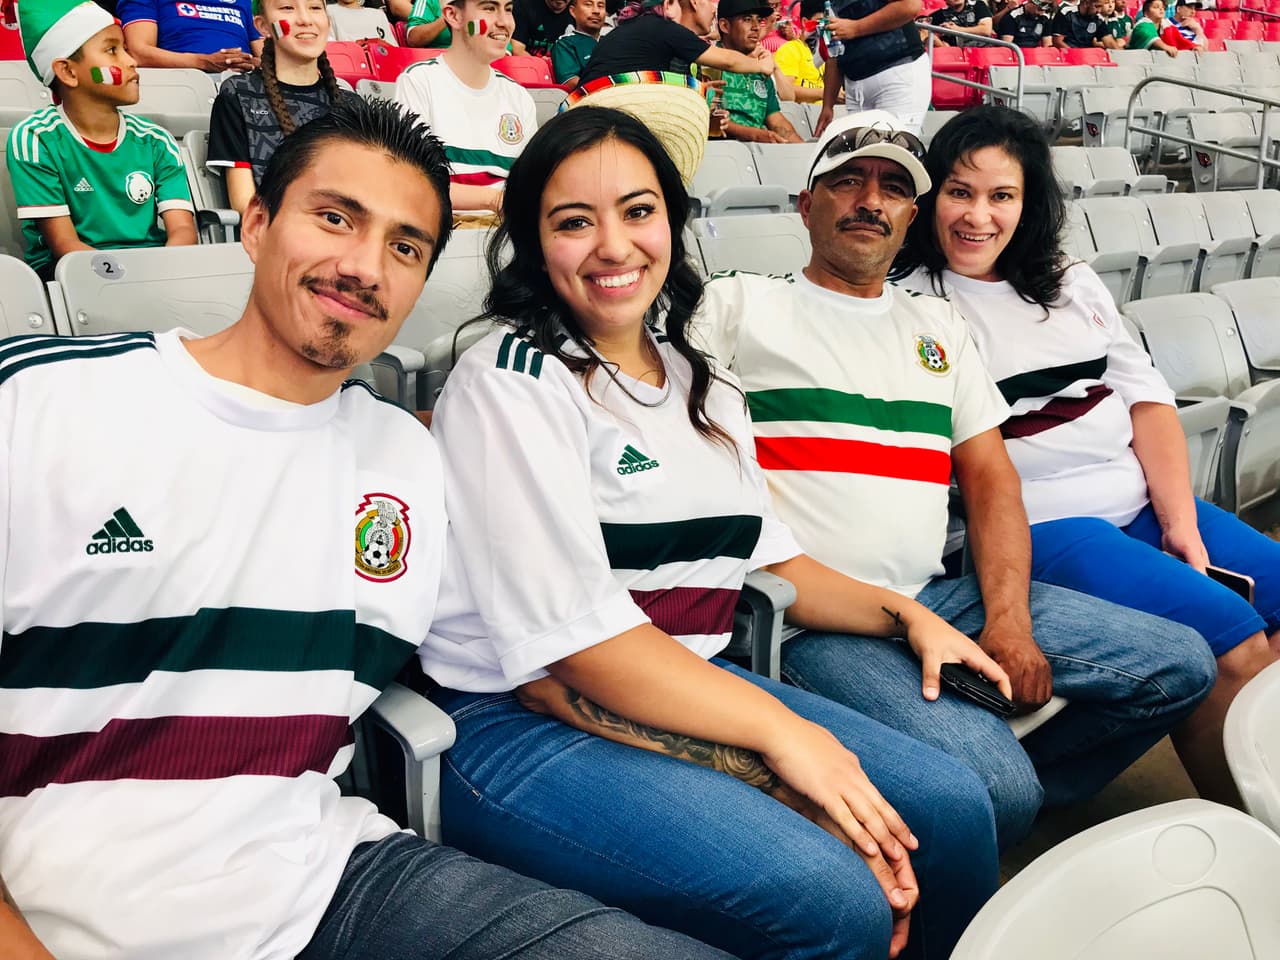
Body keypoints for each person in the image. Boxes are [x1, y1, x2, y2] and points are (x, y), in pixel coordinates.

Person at [0, 97, 732, 960]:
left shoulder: (408, 458)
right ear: (258, 221)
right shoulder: (42, 399)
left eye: (404, 246)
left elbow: (533, 660)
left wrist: (755, 768)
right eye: (335, 217)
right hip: (56, 902)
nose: (363, 266)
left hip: (328, 881)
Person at [421, 104, 1004, 960]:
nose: (614, 246)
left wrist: (905, 615)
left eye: (637, 210)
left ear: (671, 220)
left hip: (683, 679)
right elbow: (578, 651)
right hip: (512, 717)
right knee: (833, 893)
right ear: (531, 242)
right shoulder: (512, 379)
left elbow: (779, 562)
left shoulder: (703, 380)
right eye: (573, 222)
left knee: (952, 808)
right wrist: (784, 739)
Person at [694, 109, 1216, 850]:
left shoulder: (936, 325)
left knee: (1179, 665)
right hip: (815, 621)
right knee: (995, 785)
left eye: (893, 188)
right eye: (847, 182)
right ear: (806, 205)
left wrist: (1008, 620)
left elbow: (993, 480)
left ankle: (976, 803)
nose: (869, 201)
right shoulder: (737, 304)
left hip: (939, 591)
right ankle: (979, 799)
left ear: (913, 215)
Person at [894, 105, 1280, 807]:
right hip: (1043, 524)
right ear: (929, 196)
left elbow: (1147, 399)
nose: (977, 216)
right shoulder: (913, 304)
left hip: (1137, 498)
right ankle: (1254, 834)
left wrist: (1182, 523)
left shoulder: (1067, 278)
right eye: (959, 191)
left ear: (1028, 202)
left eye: (1000, 195)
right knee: (1236, 650)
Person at [7, 0, 196, 281]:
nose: (131, 61)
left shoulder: (157, 140)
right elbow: (65, 246)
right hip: (75, 275)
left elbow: (183, 231)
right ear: (68, 72)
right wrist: (130, 283)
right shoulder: (36, 138)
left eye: (125, 49)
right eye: (112, 50)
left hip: (153, 268)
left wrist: (163, 276)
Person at [208, 0, 361, 215]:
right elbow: (244, 201)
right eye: (287, 8)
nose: (305, 20)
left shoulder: (353, 105)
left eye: (315, 8)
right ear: (262, 26)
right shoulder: (239, 95)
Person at [394, 0, 536, 215]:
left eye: (508, 9)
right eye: (489, 8)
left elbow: (531, 186)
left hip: (506, 237)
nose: (504, 22)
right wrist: (493, 200)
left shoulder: (519, 96)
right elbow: (411, 185)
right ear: (453, 16)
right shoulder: (418, 82)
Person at [575, 0, 775, 88]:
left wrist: (697, 90)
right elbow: (728, 60)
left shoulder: (644, 29)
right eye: (710, 2)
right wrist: (761, 66)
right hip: (605, 105)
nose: (715, 10)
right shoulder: (666, 29)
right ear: (695, 2)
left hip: (584, 104)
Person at [812, 0, 931, 139]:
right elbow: (835, 44)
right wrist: (828, 104)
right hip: (855, 87)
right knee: (862, 156)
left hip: (897, 73)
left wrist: (856, 28)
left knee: (891, 153)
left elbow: (910, 5)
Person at [717, 0, 805, 142]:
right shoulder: (710, 64)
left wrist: (804, 152)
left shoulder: (760, 69)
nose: (756, 27)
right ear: (725, 26)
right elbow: (711, 119)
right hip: (724, 154)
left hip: (761, 153)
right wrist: (756, 135)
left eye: (759, 20)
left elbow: (776, 121)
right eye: (747, 19)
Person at [117, 0, 261, 71]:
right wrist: (203, 62)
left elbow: (265, 52)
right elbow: (138, 53)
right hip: (181, 82)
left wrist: (257, 64)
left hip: (246, 85)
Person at [551, 0, 608, 85]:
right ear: (573, 11)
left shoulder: (611, 42)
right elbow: (570, 83)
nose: (596, 11)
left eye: (600, 6)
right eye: (588, 5)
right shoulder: (565, 44)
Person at [1129, 0, 1194, 55]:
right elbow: (1148, 35)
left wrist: (1193, 46)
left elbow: (1180, 39)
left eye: (1163, 7)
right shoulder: (1141, 25)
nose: (1161, 9)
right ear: (1146, 13)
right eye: (1156, 7)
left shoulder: (1167, 26)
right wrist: (1166, 47)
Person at [929, 0, 994, 46]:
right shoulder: (939, 15)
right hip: (956, 56)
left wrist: (956, 29)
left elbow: (986, 30)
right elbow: (923, 29)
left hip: (983, 50)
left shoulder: (978, 5)